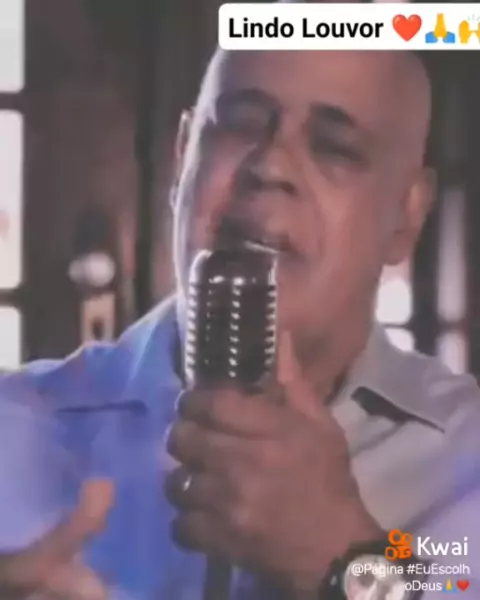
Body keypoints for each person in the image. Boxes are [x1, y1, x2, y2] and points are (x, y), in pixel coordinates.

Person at [0, 48, 479, 600]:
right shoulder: (17, 426)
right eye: (241, 124)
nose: (269, 167)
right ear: (183, 158)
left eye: (334, 148)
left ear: (406, 215)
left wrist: (344, 558)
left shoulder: (465, 462)